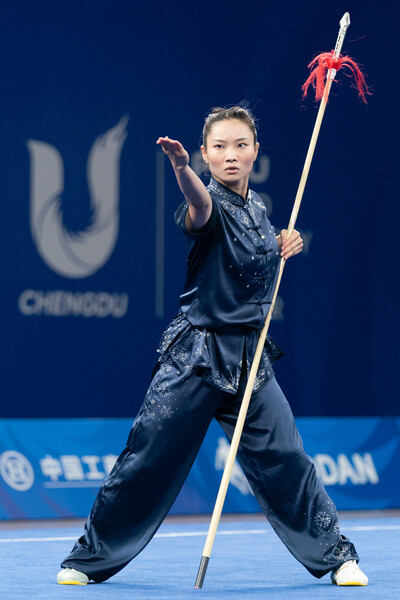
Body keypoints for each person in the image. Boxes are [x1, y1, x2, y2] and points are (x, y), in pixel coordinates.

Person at [57, 105, 368, 587]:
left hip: (249, 358)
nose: (229, 155)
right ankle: (87, 558)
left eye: (240, 145)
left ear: (254, 152)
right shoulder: (207, 202)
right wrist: (182, 170)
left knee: (288, 457)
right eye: (218, 147)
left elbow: (261, 255)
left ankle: (337, 556)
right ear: (205, 154)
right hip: (196, 357)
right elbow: (200, 206)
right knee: (147, 457)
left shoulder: (259, 208)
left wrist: (286, 242)